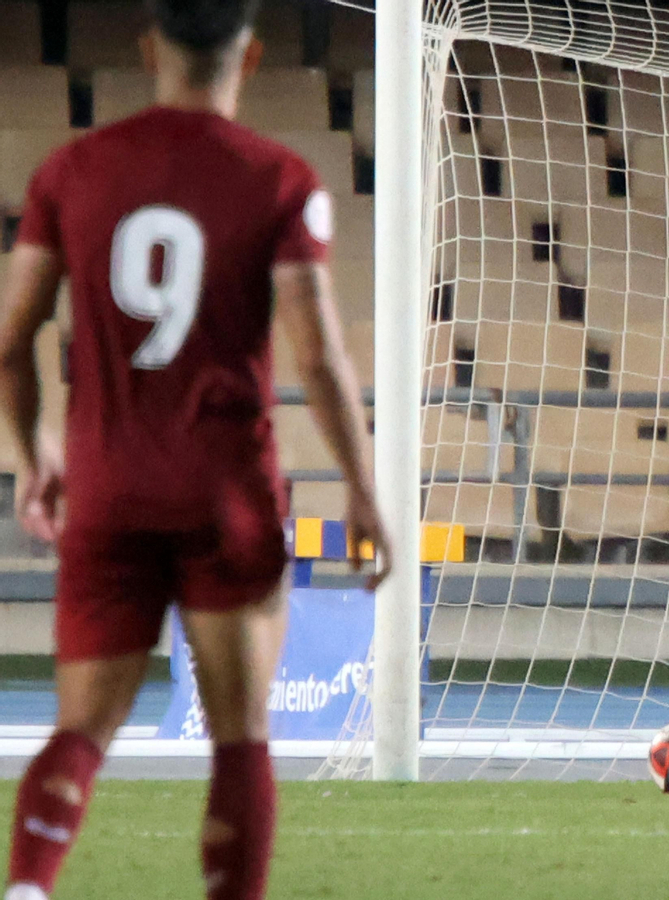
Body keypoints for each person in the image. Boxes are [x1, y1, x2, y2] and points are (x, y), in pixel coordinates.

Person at [0, 2, 391, 898]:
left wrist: (32, 453)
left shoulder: (72, 172)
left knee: (82, 730)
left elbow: (11, 341)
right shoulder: (279, 179)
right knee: (241, 738)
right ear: (249, 58)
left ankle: (26, 888)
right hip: (227, 494)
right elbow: (317, 356)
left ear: (148, 50)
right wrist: (363, 488)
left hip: (108, 488)